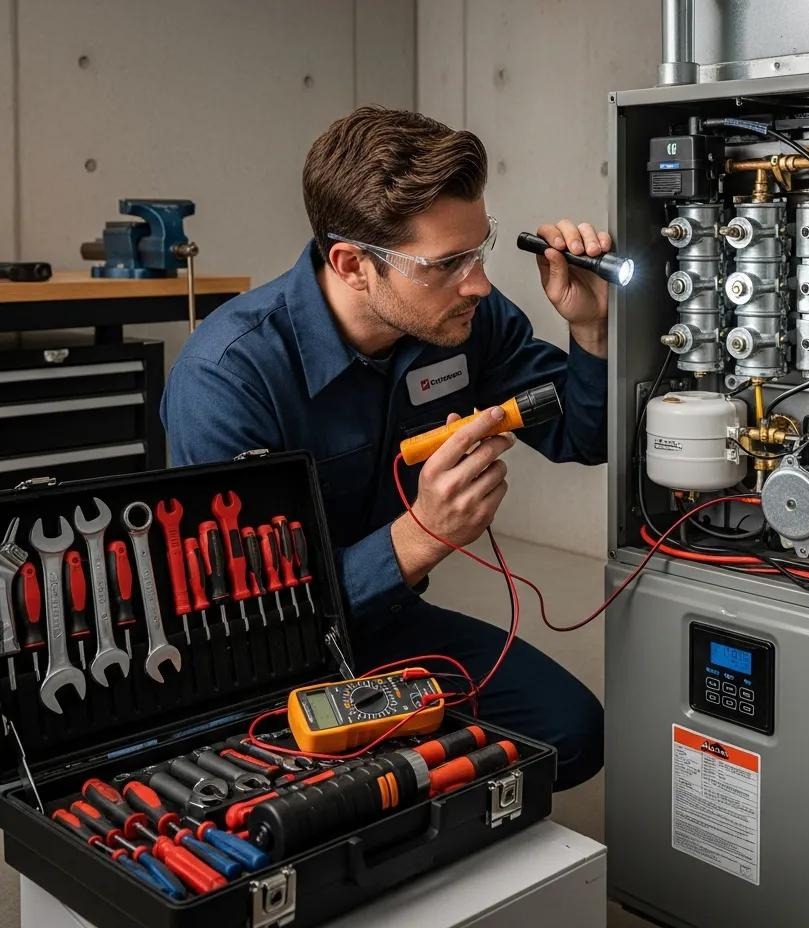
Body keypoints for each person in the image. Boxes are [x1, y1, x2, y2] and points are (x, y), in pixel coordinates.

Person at [161, 106, 612, 790]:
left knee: (572, 734)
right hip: (259, 658)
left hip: (381, 625)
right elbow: (236, 615)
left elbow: (581, 435)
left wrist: (592, 333)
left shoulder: (468, 319)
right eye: (447, 264)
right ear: (351, 264)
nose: (480, 284)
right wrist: (420, 537)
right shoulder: (229, 376)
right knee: (280, 803)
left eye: (480, 249)